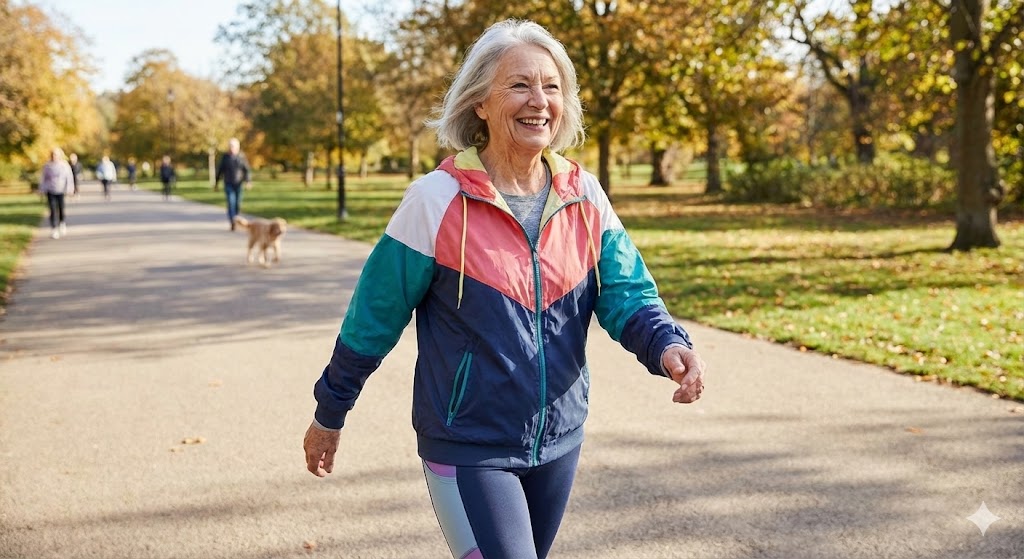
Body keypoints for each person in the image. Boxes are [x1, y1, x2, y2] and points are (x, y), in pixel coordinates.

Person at [303, 19, 707, 559]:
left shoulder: (583, 194)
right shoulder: (435, 201)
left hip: (560, 438)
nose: (538, 100)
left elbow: (627, 292)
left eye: (552, 86)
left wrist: (667, 345)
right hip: (468, 443)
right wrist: (330, 412)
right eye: (518, 85)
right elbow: (372, 319)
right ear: (480, 104)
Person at [214, 138, 251, 230]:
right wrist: (216, 183)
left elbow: (246, 170)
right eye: (230, 146)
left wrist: (248, 181)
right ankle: (232, 222)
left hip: (238, 184)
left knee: (237, 203)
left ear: (238, 147)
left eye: (234, 146)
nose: (232, 148)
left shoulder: (241, 157)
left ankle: (237, 219)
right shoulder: (225, 157)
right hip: (228, 183)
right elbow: (220, 171)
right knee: (231, 202)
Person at [39, 148, 75, 239]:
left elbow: (69, 177)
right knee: (52, 209)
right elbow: (44, 178)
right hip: (50, 190)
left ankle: (62, 223)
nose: (54, 156)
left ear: (60, 156)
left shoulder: (64, 165)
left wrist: (70, 188)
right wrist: (42, 189)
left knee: (61, 208)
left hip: (61, 190)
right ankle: (54, 229)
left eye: (56, 155)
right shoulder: (47, 166)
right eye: (53, 154)